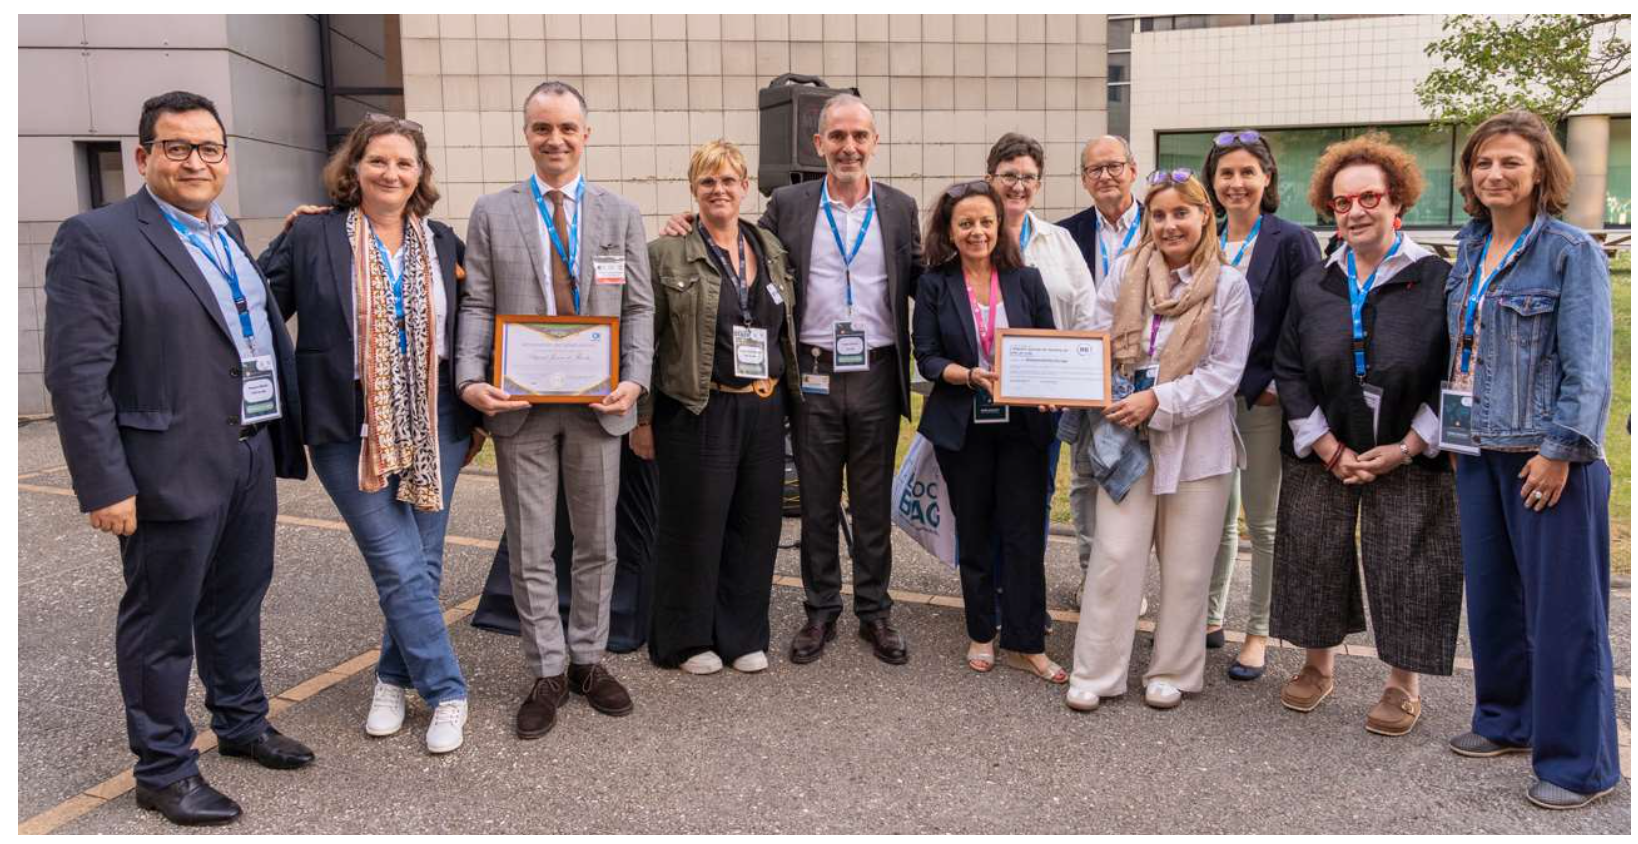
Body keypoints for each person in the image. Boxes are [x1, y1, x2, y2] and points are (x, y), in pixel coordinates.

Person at [43, 90, 313, 825]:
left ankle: (241, 721)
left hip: (249, 450)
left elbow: (236, 326)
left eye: (209, 148)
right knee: (161, 622)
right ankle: (163, 770)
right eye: (177, 147)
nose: (196, 161)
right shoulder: (97, 238)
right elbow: (76, 374)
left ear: (226, 158)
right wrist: (104, 483)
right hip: (166, 464)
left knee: (238, 601)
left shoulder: (228, 234)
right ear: (143, 156)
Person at [663, 93, 923, 666]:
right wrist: (687, 224)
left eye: (859, 136)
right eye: (838, 137)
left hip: (877, 372)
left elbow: (924, 282)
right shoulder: (789, 204)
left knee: (872, 503)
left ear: (874, 142)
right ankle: (821, 609)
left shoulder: (901, 208)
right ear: (818, 144)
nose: (849, 147)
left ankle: (875, 611)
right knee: (817, 500)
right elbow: (738, 247)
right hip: (813, 374)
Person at [259, 114, 479, 753]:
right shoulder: (313, 234)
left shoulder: (442, 242)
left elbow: (471, 324)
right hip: (344, 420)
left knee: (423, 564)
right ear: (353, 168)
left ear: (420, 174)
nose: (391, 173)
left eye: (405, 163)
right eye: (378, 160)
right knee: (396, 561)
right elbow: (251, 305)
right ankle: (447, 691)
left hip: (435, 417)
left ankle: (390, 678)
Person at [454, 80, 653, 740]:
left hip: (599, 404)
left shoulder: (621, 214)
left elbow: (639, 308)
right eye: (543, 127)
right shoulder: (492, 211)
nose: (555, 139)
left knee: (597, 543)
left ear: (585, 135)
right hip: (521, 407)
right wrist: (469, 378)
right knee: (532, 546)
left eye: (567, 128)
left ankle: (588, 660)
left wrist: (635, 380)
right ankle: (546, 669)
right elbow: (479, 302)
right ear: (527, 135)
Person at [1442, 110, 1618, 810]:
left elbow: (1589, 370)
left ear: (1541, 170)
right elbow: (1465, 353)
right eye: (1483, 162)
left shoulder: (1570, 251)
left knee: (1565, 615)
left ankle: (1581, 765)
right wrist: (1456, 438)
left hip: (1546, 458)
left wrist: (1559, 452)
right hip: (1478, 450)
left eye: (1511, 161)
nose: (1495, 174)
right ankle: (1506, 720)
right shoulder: (1468, 248)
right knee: (1493, 600)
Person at [1268, 133, 1461, 739]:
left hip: (1409, 448)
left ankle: (1403, 683)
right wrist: (1327, 447)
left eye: (1369, 197)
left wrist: (1409, 446)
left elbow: (1456, 372)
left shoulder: (1439, 279)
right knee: (1314, 550)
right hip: (1326, 447)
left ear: (1396, 199)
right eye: (1342, 201)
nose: (1355, 211)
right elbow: (1289, 369)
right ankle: (1316, 665)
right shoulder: (1314, 282)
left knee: (1410, 560)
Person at [1065, 169, 1252, 713]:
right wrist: (1086, 385)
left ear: (1204, 216)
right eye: (1159, 214)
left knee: (1188, 565)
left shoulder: (1229, 285)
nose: (1170, 225)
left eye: (1181, 213)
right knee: (1115, 555)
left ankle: (1174, 670)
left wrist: (1159, 399)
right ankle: (1097, 672)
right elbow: (1095, 339)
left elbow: (1225, 373)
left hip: (1197, 444)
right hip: (1124, 435)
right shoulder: (1125, 271)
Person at [639, 140, 800, 674]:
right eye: (708, 181)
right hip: (698, 408)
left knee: (756, 526)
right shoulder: (666, 253)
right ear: (694, 189)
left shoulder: (770, 247)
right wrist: (643, 418)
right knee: (695, 527)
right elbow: (644, 341)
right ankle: (685, 640)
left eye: (729, 180)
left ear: (745, 186)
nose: (719, 190)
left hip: (764, 408)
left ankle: (742, 635)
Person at [912, 180, 1063, 682]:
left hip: (1022, 426)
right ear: (949, 230)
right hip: (964, 426)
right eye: (966, 223)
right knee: (975, 534)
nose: (977, 231)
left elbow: (1048, 346)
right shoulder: (934, 284)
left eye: (985, 222)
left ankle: (1026, 642)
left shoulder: (1027, 280)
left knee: (1024, 536)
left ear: (1000, 227)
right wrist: (969, 374)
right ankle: (981, 631)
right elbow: (927, 357)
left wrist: (1051, 386)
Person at [1198, 130, 1322, 678]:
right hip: (1207, 402)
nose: (1236, 183)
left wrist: (1279, 384)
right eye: (1226, 173)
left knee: (1263, 523)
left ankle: (1258, 631)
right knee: (1215, 516)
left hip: (1261, 400)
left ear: (1267, 178)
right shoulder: (1205, 235)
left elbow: (1310, 319)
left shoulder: (1291, 240)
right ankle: (1209, 617)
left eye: (1247, 172)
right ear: (1213, 181)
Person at [983, 133, 1097, 616]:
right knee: (986, 496)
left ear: (1039, 183)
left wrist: (1075, 382)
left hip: (1046, 398)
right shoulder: (974, 234)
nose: (1018, 185)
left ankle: (1025, 597)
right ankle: (989, 593)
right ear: (990, 178)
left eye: (1028, 177)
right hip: (985, 393)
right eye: (1009, 175)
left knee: (1037, 497)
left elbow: (1087, 315)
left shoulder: (1059, 240)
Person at [1055, 134, 1144, 604]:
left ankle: (1132, 584)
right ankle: (1092, 578)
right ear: (1084, 179)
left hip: (1147, 374)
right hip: (1084, 374)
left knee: (1139, 479)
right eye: (1095, 169)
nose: (1105, 176)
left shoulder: (1162, 223)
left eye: (1114, 166)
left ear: (1133, 169)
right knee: (1086, 479)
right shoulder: (1064, 234)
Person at [471, 445, 658, 654]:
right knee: (532, 552)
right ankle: (547, 663)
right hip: (528, 429)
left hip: (600, 430)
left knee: (596, 549)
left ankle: (586, 659)